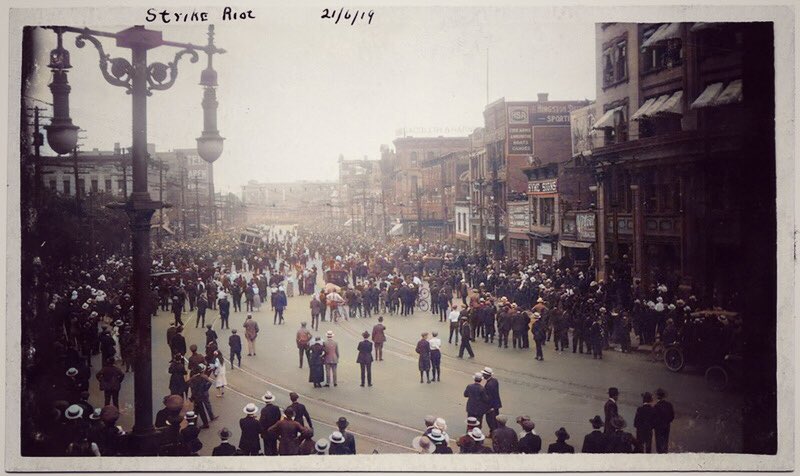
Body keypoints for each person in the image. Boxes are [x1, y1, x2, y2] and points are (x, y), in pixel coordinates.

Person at [259, 392, 281, 456]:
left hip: (266, 433)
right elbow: (279, 418)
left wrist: (261, 432)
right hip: (274, 432)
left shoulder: (264, 410)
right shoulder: (276, 408)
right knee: (274, 447)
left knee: (267, 449)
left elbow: (262, 422)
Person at [653, 388, 674, 453]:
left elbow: (654, 417)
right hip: (666, 426)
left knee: (659, 442)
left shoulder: (656, 406)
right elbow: (672, 416)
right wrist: (667, 421)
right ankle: (665, 453)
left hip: (658, 427)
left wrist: (655, 425)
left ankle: (660, 455)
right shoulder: (669, 405)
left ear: (657, 396)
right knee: (665, 441)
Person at [482, 367, 501, 436]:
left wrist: (490, 407)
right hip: (496, 404)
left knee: (491, 421)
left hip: (491, 406)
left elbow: (490, 397)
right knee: (495, 421)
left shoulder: (489, 385)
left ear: (487, 375)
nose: (483, 375)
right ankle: (493, 433)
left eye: (484, 374)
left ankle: (493, 434)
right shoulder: (494, 381)